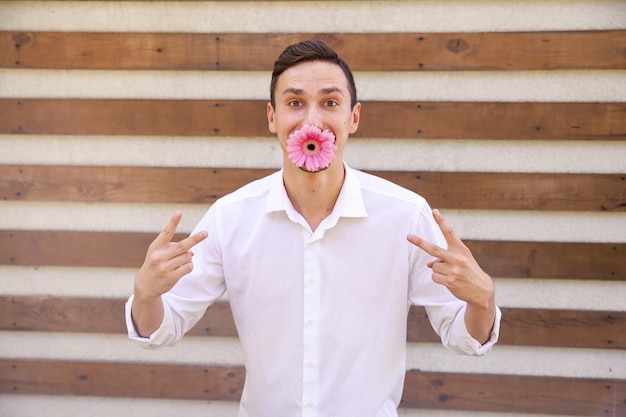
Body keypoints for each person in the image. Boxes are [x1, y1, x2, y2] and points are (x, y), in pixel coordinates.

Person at [126, 40, 501, 417]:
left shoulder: (404, 215)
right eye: (294, 103)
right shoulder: (231, 217)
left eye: (330, 103)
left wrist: (481, 299)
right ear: (272, 117)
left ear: (353, 118)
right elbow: (161, 328)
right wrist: (146, 293)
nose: (311, 121)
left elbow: (463, 338)